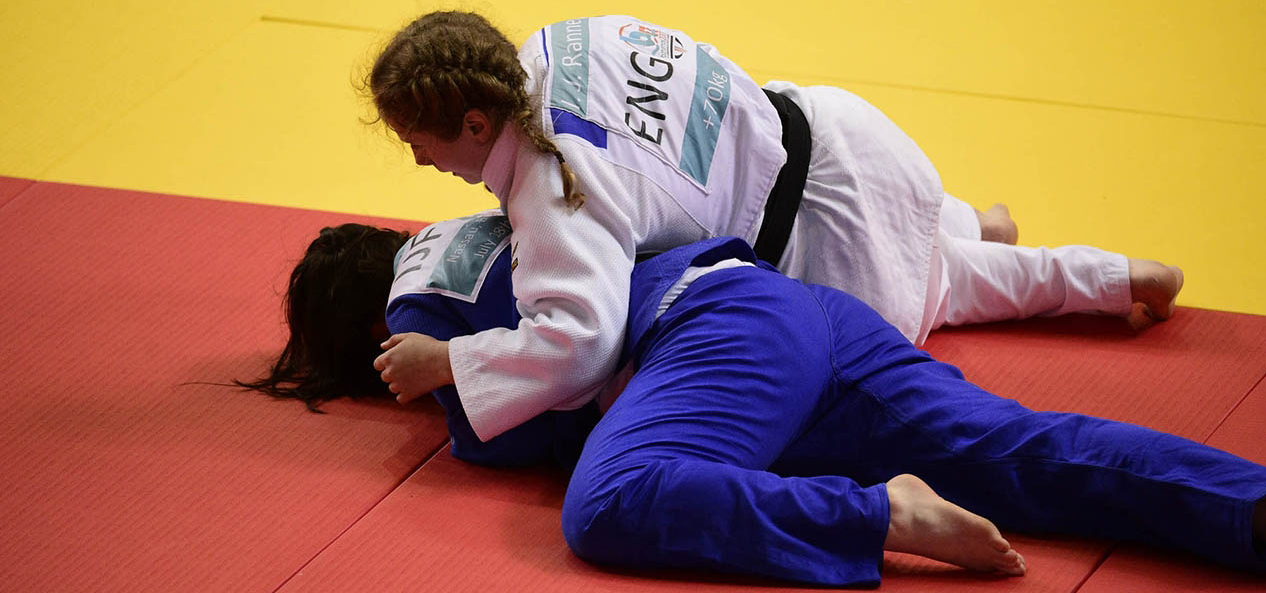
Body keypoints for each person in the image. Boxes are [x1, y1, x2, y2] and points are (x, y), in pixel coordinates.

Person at [243, 216, 1262, 587]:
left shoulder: (419, 306)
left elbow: (537, 415)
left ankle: (879, 512)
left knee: (610, 499)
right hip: (791, 312)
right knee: (1035, 451)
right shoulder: (492, 215)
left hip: (714, 343)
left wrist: (445, 379)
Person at [362, 12, 1184, 442]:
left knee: (951, 285)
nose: (420, 160)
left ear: (476, 123)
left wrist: (452, 361)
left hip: (833, 237)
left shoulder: (555, 188)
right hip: (844, 129)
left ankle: (1101, 277)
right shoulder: (559, 43)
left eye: (420, 141)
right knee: (928, 237)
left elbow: (579, 342)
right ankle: (977, 219)